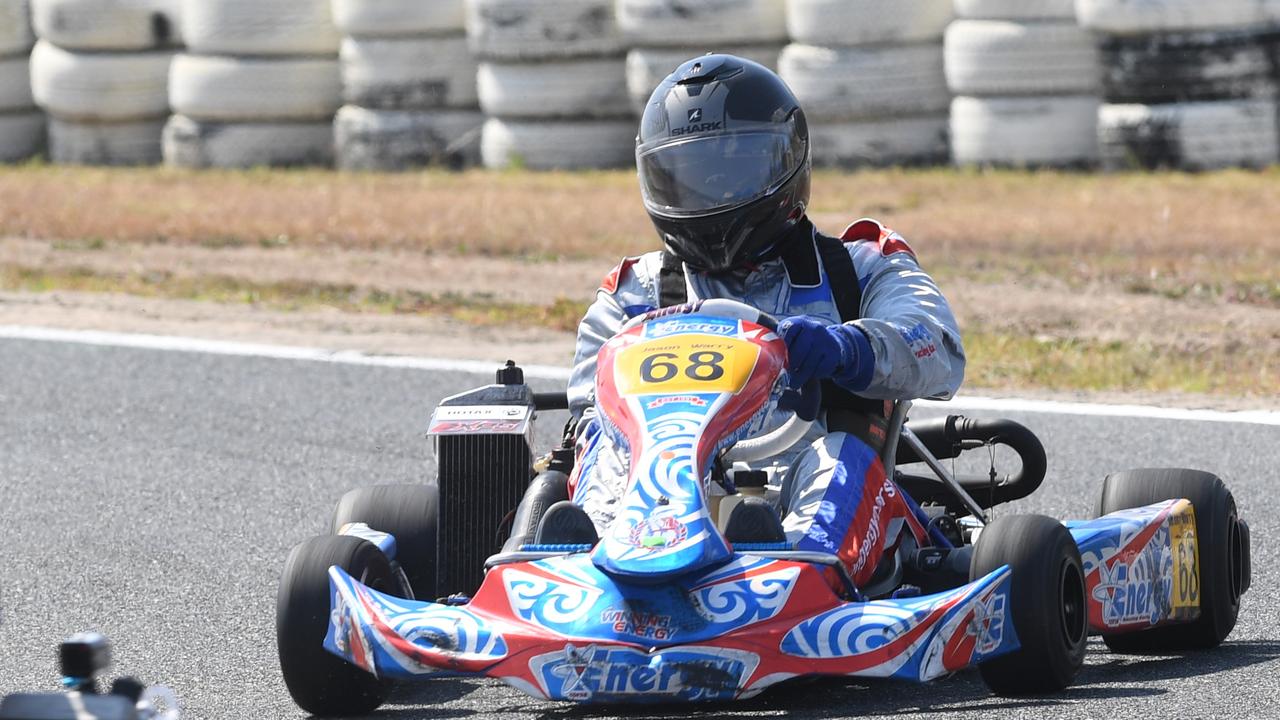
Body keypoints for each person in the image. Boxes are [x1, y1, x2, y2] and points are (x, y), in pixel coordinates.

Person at [563, 54, 965, 588]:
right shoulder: (635, 292)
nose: (709, 192)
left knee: (838, 454)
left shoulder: (856, 267)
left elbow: (937, 346)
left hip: (802, 488)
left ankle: (803, 578)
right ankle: (580, 567)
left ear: (786, 164)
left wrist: (850, 347)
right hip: (658, 496)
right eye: (689, 175)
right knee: (600, 438)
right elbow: (590, 403)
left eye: (729, 173)